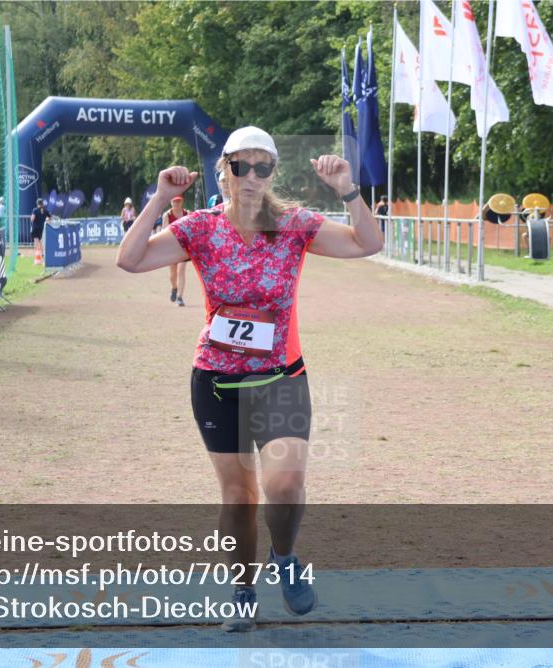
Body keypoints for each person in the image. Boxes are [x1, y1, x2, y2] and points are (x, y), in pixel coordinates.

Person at [116, 126, 382, 632]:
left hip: (281, 378)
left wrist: (347, 189)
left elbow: (368, 243)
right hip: (217, 384)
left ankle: (284, 557)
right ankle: (242, 591)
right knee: (239, 497)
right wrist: (160, 198)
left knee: (286, 484)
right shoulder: (199, 228)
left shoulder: (294, 225)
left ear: (273, 173)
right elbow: (130, 260)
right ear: (225, 171)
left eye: (263, 167)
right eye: (242, 166)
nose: (252, 176)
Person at [162, 195, 190, 307]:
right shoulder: (167, 215)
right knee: (173, 274)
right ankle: (174, 288)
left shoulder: (187, 213)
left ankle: (180, 297)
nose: (177, 203)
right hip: (172, 248)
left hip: (183, 248)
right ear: (171, 202)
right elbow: (164, 232)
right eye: (174, 201)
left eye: (178, 201)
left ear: (182, 202)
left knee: (181, 271)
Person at [30, 197, 50, 264]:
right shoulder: (45, 210)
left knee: (36, 241)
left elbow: (32, 219)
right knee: (41, 242)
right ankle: (42, 255)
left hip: (35, 228)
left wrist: (31, 218)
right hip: (42, 228)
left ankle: (38, 255)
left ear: (37, 203)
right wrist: (46, 219)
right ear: (42, 203)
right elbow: (49, 217)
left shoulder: (35, 210)